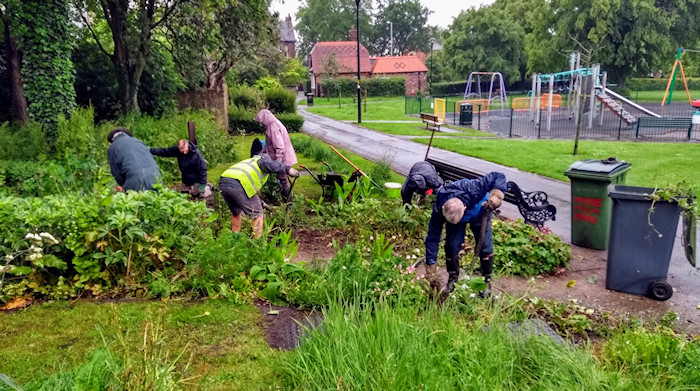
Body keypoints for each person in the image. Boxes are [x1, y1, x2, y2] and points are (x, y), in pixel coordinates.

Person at [424, 172, 506, 297]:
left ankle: (486, 281)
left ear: (464, 207)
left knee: (484, 245)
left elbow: (498, 176)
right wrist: (431, 263)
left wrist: (496, 194)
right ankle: (453, 279)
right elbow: (433, 237)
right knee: (451, 245)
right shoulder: (439, 207)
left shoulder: (473, 189)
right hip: (456, 216)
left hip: (480, 212)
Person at [219, 153, 299, 238]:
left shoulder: (248, 162)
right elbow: (272, 164)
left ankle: (234, 238)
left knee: (236, 211)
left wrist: (261, 203)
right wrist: (288, 169)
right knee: (257, 213)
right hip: (239, 184)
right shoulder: (262, 161)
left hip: (224, 181)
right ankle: (257, 243)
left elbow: (251, 194)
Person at [255, 109, 297, 199]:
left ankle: (289, 200)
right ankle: (286, 198)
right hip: (285, 156)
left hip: (284, 157)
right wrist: (260, 154)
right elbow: (268, 145)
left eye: (261, 122)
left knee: (282, 178)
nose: (260, 124)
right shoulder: (274, 124)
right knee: (282, 178)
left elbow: (279, 146)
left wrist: (278, 161)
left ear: (265, 119)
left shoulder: (273, 128)